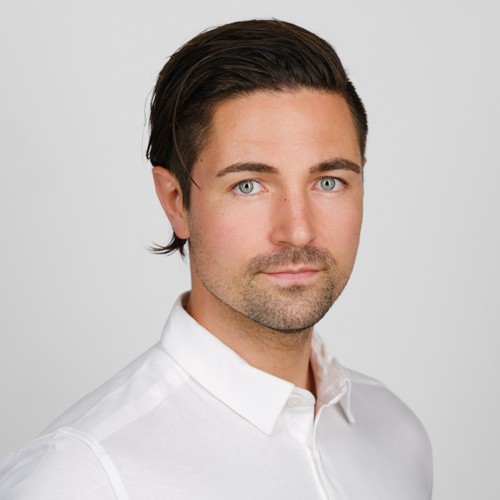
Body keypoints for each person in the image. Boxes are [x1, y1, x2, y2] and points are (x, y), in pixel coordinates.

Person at [0, 19, 432, 500]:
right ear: (175, 202)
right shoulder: (84, 478)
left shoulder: (396, 434)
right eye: (248, 185)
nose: (298, 231)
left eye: (328, 182)